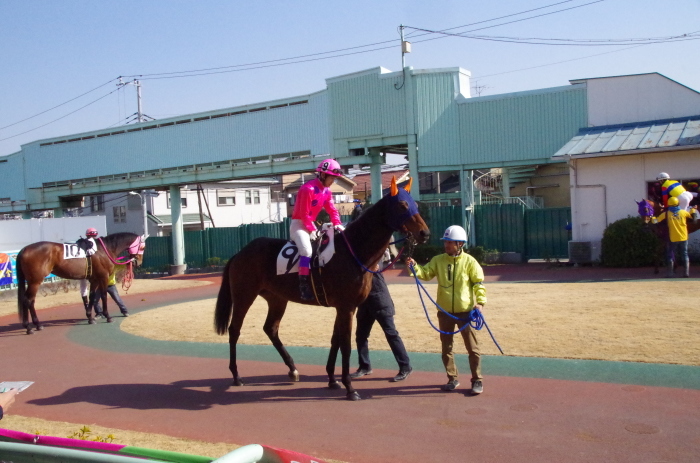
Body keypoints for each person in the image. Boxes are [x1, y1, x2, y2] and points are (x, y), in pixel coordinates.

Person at [405, 225, 487, 395]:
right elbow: (425, 274)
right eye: (445, 242)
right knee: (446, 348)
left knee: (473, 348)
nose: (446, 245)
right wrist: (414, 266)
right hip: (444, 312)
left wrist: (480, 303)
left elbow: (478, 284)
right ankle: (452, 378)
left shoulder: (470, 262)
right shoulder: (438, 260)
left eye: (450, 242)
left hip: (465, 312)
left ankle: (477, 380)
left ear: (460, 244)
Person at [290, 159, 345, 300]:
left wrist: (337, 223)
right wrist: (311, 229)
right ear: (322, 175)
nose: (333, 181)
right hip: (299, 225)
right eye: (332, 177)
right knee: (307, 250)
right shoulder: (307, 189)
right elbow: (303, 214)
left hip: (312, 225)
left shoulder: (327, 191)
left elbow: (332, 210)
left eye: (335, 178)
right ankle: (303, 286)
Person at [350, 262, 412, 382]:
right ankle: (364, 366)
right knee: (361, 336)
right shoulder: (357, 262)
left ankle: (405, 367)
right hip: (365, 304)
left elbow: (377, 262)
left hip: (381, 303)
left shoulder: (373, 262)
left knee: (392, 334)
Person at [653, 196, 699, 278]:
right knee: (684, 254)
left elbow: (655, 221)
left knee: (670, 254)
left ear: (669, 204)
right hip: (683, 237)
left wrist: (652, 217)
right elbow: (694, 219)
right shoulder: (683, 212)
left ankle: (670, 273)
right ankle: (686, 273)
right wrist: (693, 210)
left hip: (673, 238)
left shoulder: (666, 214)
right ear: (678, 203)